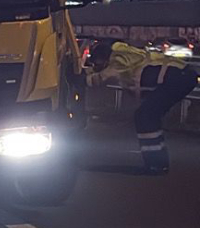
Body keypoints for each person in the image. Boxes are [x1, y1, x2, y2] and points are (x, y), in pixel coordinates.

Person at [85, 39, 199, 174]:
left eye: (97, 62)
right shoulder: (125, 54)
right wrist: (86, 70)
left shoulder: (118, 60)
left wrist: (80, 79)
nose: (96, 65)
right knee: (148, 116)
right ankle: (158, 161)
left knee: (145, 117)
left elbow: (99, 78)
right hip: (181, 77)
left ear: (104, 57)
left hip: (178, 79)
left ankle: (155, 163)